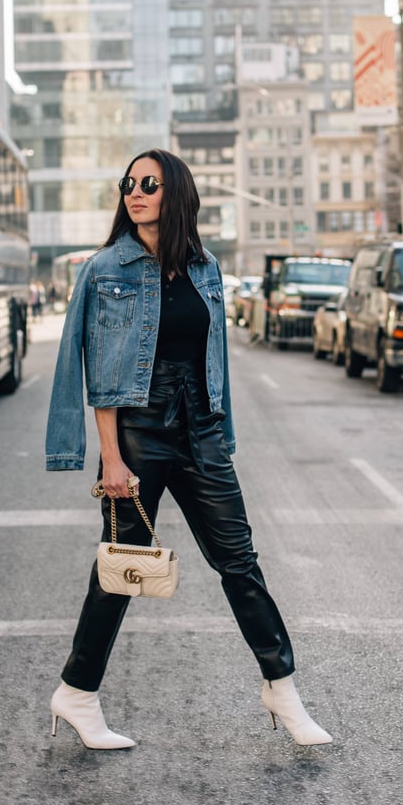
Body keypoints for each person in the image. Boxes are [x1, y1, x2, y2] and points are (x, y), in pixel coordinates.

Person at [45, 148, 332, 750]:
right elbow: (94, 367)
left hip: (200, 432)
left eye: (149, 183)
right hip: (137, 436)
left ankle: (282, 687)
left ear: (176, 193)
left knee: (240, 563)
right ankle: (77, 694)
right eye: (128, 183)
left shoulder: (206, 268)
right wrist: (111, 457)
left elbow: (215, 359)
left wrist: (219, 434)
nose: (135, 192)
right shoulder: (104, 269)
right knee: (121, 570)